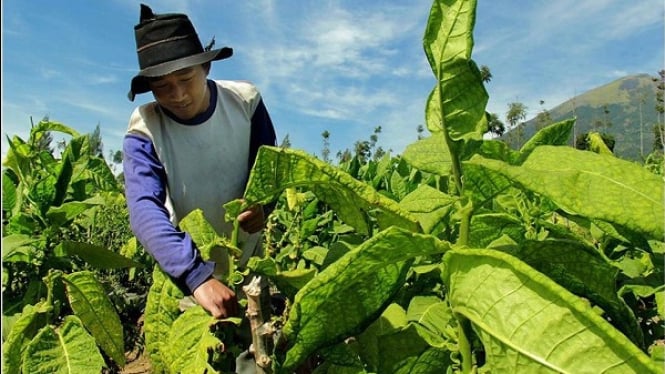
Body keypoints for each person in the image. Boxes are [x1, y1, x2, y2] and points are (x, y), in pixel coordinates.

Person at [122, 4, 277, 320]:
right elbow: (143, 209)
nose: (178, 94)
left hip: (250, 262)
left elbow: (270, 175)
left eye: (185, 77)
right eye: (162, 86)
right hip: (191, 270)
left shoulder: (245, 102)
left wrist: (264, 207)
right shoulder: (145, 128)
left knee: (259, 358)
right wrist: (196, 277)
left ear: (205, 68)